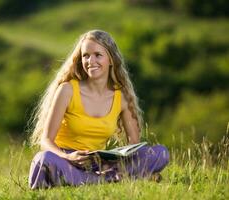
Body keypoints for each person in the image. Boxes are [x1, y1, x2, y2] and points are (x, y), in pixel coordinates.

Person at [28, 30, 169, 189]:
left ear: (111, 59)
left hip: (99, 165)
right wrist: (67, 156)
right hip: (65, 160)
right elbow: (46, 141)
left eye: (97, 55)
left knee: (160, 153)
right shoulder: (67, 90)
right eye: (86, 55)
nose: (90, 61)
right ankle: (110, 180)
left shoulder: (121, 97)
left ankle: (93, 179)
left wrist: (112, 161)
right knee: (43, 160)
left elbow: (134, 145)